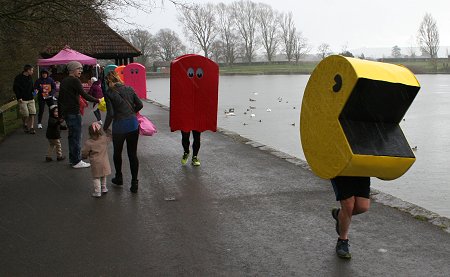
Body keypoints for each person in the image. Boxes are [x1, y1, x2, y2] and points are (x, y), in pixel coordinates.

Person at [103, 70, 143, 193]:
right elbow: (140, 104)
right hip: (132, 125)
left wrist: (104, 128)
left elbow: (111, 113)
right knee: (132, 154)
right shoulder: (129, 89)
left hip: (119, 126)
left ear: (108, 81)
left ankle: (119, 177)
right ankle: (134, 183)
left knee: (117, 153)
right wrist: (131, 113)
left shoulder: (109, 93)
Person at [58, 61, 99, 169]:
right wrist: (97, 100)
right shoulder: (75, 80)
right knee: (76, 137)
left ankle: (73, 159)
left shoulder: (64, 81)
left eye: (81, 68)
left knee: (72, 137)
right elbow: (84, 95)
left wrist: (60, 114)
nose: (81, 70)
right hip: (74, 112)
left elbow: (60, 98)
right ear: (72, 70)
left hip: (67, 113)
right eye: (78, 69)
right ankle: (76, 161)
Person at [331, 176, 371, 259]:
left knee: (363, 207)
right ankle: (342, 240)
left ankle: (339, 215)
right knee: (348, 205)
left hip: (361, 170)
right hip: (342, 170)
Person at [81, 122, 112, 198]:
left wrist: (84, 156)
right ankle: (104, 188)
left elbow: (85, 152)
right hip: (105, 162)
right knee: (103, 175)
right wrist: (109, 132)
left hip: (96, 163)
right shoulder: (104, 139)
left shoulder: (89, 142)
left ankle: (97, 191)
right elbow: (110, 138)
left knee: (96, 177)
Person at [13, 64, 37, 134]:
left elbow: (32, 87)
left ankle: (31, 127)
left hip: (31, 98)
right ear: (28, 70)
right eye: (32, 70)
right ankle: (25, 124)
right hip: (22, 99)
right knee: (25, 114)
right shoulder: (18, 78)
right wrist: (19, 97)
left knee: (32, 113)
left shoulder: (30, 77)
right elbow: (15, 88)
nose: (33, 71)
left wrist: (34, 92)